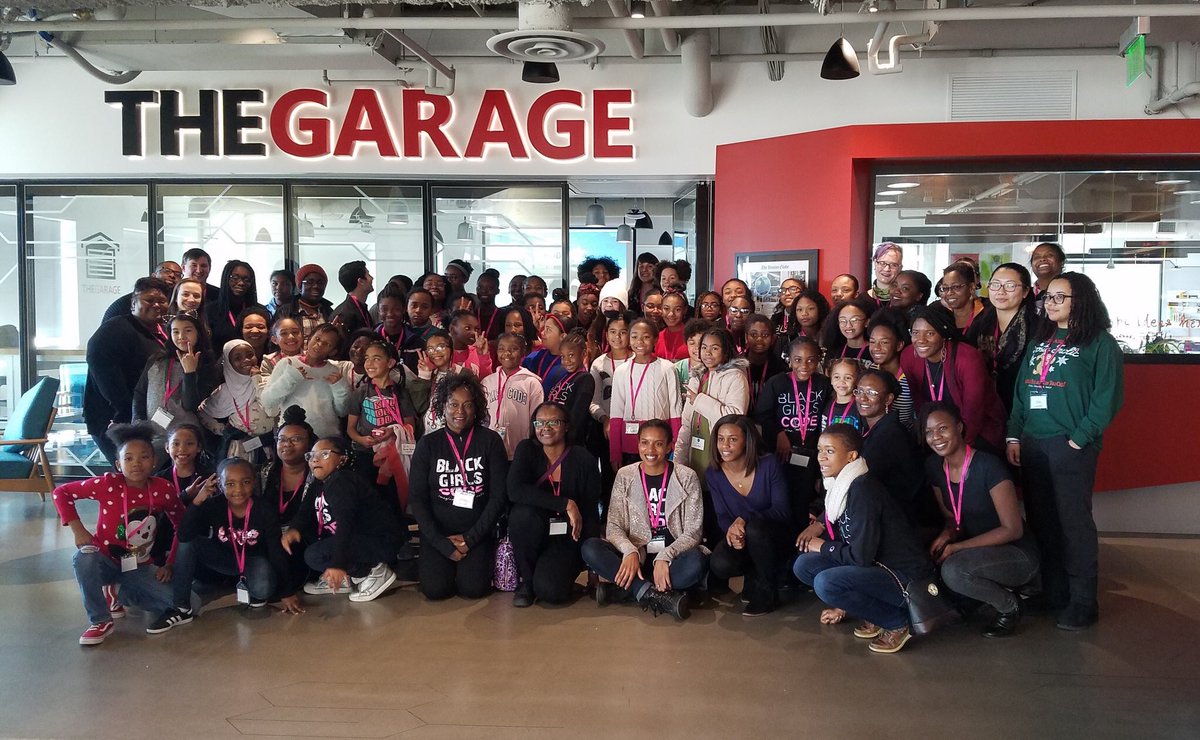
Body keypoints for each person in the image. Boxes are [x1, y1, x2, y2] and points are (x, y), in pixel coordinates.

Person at [1006, 272, 1123, 631]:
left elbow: (1107, 398)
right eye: (1048, 298)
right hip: (1033, 442)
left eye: (1059, 297)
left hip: (1071, 445)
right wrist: (1014, 436)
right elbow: (1023, 391)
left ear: (1080, 301)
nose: (1050, 303)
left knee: (1074, 525)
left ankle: (1084, 601)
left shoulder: (1100, 343)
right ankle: (1054, 592)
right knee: (1043, 521)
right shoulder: (1040, 341)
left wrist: (1080, 437)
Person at [792, 424, 934, 654]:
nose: (821, 457)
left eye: (829, 451)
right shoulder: (839, 486)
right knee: (805, 565)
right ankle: (875, 612)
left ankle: (897, 621)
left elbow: (860, 557)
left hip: (903, 577)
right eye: (819, 450)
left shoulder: (863, 490)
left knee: (826, 582)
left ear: (851, 456)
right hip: (875, 565)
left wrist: (824, 547)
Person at [53, 423, 186, 645]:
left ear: (154, 461)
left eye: (144, 457)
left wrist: (170, 563)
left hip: (139, 566)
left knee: (187, 604)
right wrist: (78, 529)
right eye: (129, 458)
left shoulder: (163, 489)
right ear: (118, 464)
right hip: (105, 559)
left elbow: (181, 525)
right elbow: (61, 492)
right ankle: (100, 620)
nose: (136, 464)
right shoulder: (108, 484)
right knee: (84, 558)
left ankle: (118, 592)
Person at [923, 402, 1039, 638]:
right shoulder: (935, 467)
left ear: (960, 427)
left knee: (954, 570)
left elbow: (1013, 529)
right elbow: (950, 516)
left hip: (1015, 553)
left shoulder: (989, 466)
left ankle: (1010, 606)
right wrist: (946, 535)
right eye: (928, 432)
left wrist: (957, 547)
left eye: (943, 428)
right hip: (976, 552)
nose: (936, 437)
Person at [581, 420, 708, 621]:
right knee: (590, 548)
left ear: (669, 446)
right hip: (636, 555)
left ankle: (628, 591)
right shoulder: (625, 475)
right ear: (638, 444)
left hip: (672, 559)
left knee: (696, 563)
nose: (650, 449)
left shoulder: (686, 477)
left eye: (658, 443)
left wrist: (665, 556)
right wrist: (629, 551)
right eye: (644, 442)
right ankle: (656, 594)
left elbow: (693, 532)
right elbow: (614, 525)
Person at [159, 457, 304, 628]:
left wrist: (287, 592)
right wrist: (198, 500)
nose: (238, 489)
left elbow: (275, 550)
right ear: (219, 485)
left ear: (254, 482)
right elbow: (184, 535)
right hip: (223, 559)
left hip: (254, 561)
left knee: (262, 590)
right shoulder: (214, 505)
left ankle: (250, 590)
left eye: (245, 482)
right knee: (190, 542)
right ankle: (182, 607)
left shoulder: (264, 509)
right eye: (230, 484)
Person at [409, 372, 509, 600]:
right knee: (435, 591)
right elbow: (417, 499)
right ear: (443, 406)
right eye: (453, 404)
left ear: (477, 408)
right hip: (438, 533)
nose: (460, 412)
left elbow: (498, 497)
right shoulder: (428, 444)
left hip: (477, 531)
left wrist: (470, 539)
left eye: (467, 405)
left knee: (473, 589)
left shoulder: (490, 441)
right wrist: (442, 544)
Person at [282, 437, 403, 602]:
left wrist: (338, 564)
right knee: (307, 536)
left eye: (324, 454)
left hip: (378, 541)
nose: (315, 459)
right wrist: (294, 529)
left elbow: (345, 523)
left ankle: (371, 571)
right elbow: (305, 511)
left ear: (342, 459)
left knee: (314, 556)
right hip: (354, 540)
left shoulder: (342, 481)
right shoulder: (319, 483)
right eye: (311, 455)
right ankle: (345, 579)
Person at [507, 402, 602, 607]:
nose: (546, 427)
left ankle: (553, 579)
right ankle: (527, 581)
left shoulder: (583, 459)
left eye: (554, 422)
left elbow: (592, 512)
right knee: (521, 515)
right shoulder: (527, 450)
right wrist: (565, 503)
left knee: (551, 592)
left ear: (566, 426)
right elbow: (515, 490)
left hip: (567, 538)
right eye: (540, 422)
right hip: (534, 533)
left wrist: (594, 568)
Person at [705, 415, 794, 616]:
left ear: (747, 440)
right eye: (720, 439)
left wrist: (744, 518)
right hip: (746, 538)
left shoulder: (769, 464)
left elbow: (782, 511)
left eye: (733, 439)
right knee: (720, 563)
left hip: (775, 536)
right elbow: (721, 515)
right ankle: (754, 575)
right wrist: (732, 531)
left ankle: (768, 591)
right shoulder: (713, 473)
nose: (725, 445)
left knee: (756, 528)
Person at [85, 277, 172, 463]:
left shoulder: (160, 331)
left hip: (147, 417)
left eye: (162, 301)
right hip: (117, 420)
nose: (156, 305)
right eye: (149, 300)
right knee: (130, 473)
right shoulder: (117, 328)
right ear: (133, 303)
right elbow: (97, 359)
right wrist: (122, 410)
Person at [900, 305, 1007, 452]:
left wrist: (958, 449)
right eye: (915, 333)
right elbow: (920, 404)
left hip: (978, 432)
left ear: (943, 334)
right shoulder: (908, 356)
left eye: (930, 333)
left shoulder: (968, 358)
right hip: (938, 433)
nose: (921, 340)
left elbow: (973, 411)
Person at [753, 335, 831, 525]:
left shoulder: (824, 384)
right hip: (783, 454)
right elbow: (762, 414)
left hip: (812, 454)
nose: (804, 365)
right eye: (798, 360)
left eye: (811, 360)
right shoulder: (776, 383)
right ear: (789, 359)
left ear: (818, 360)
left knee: (805, 500)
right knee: (783, 497)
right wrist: (779, 434)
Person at [133, 313, 220, 455]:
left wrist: (190, 373)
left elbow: (191, 405)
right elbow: (140, 393)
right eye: (176, 331)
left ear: (198, 333)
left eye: (188, 330)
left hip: (188, 439)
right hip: (154, 434)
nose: (181, 336)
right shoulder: (157, 359)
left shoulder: (206, 365)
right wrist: (137, 422)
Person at [854, 370, 927, 526]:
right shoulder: (874, 427)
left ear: (888, 399)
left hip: (897, 521)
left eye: (871, 392)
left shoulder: (891, 435)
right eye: (859, 391)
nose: (862, 398)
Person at [674, 328, 749, 479]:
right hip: (695, 447)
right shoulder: (697, 376)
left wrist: (699, 400)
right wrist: (678, 460)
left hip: (720, 449)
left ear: (726, 351)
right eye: (704, 347)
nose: (708, 353)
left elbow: (734, 418)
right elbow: (687, 424)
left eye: (715, 348)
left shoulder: (735, 377)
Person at [607, 317, 682, 468]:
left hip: (660, 442)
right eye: (634, 337)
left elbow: (675, 409)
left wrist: (677, 446)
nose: (639, 341)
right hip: (630, 442)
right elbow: (616, 413)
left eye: (646, 337)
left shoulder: (667, 368)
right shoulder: (622, 371)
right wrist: (614, 452)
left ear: (655, 340)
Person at [261, 324, 352, 439]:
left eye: (327, 344)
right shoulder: (287, 364)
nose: (319, 344)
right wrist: (290, 378)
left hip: (325, 437)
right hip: (292, 437)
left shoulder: (334, 371)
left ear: (333, 351)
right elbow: (267, 401)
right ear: (309, 338)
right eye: (317, 339)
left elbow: (342, 411)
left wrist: (339, 387)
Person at [975, 263, 1038, 414]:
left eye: (1010, 286)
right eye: (995, 284)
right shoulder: (981, 322)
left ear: (1025, 291)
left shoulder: (1037, 327)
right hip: (986, 405)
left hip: (1022, 405)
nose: (1001, 291)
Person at [199, 339, 275, 461]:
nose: (246, 360)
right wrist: (222, 430)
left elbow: (272, 408)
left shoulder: (267, 381)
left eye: (250, 355)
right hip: (238, 449)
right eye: (238, 358)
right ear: (229, 364)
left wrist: (257, 379)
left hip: (268, 445)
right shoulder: (224, 390)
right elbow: (202, 412)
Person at [482, 332, 545, 459]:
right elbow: (482, 417)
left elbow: (537, 419)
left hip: (520, 451)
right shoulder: (487, 382)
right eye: (502, 349)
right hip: (491, 451)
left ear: (523, 352)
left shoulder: (531, 383)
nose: (507, 353)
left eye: (514, 349)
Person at [262, 405, 317, 527]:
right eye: (282, 439)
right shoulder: (264, 473)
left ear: (309, 444)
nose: (287, 444)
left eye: (296, 439)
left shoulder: (318, 475)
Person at [864, 316, 914, 429]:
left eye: (884, 342)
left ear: (899, 345)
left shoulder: (910, 376)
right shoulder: (867, 372)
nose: (876, 348)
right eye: (872, 342)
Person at [544, 332, 594, 446]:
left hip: (570, 440)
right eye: (563, 356)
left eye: (571, 355)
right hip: (555, 435)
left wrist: (566, 438)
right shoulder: (563, 377)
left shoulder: (585, 378)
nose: (566, 361)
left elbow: (577, 415)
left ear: (583, 353)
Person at [153, 422, 215, 505]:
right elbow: (159, 512)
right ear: (167, 447)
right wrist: (184, 496)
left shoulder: (209, 476)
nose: (182, 449)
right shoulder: (159, 479)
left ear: (199, 447)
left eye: (189, 443)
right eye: (176, 444)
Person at [102, 261, 183, 323]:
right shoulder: (124, 303)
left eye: (178, 274)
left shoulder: (177, 303)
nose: (172, 276)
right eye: (167, 271)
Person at [206, 260, 262, 350]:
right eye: (235, 278)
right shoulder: (210, 311)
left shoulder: (259, 311)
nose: (241, 283)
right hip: (219, 362)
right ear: (226, 278)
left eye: (246, 279)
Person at [275, 264, 333, 342]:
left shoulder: (328, 311)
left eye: (320, 282)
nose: (316, 286)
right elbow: (275, 339)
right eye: (309, 282)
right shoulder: (285, 311)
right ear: (300, 287)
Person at [743, 313, 786, 410]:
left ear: (772, 339)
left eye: (765, 335)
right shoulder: (737, 366)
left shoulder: (781, 370)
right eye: (754, 334)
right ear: (746, 337)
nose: (759, 339)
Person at [939, 261, 987, 347]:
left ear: (971, 287)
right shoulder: (939, 314)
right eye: (945, 288)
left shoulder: (988, 311)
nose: (949, 293)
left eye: (956, 287)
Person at [821, 297, 876, 363]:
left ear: (867, 322)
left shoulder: (876, 350)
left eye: (854, 320)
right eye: (843, 321)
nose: (848, 325)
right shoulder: (834, 352)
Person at [396, 287, 438, 373]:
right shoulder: (398, 332)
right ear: (406, 308)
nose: (418, 310)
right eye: (414, 305)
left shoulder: (438, 335)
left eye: (424, 307)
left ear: (431, 310)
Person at [330, 260, 375, 339]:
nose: (372, 278)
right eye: (368, 275)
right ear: (361, 281)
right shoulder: (344, 314)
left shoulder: (358, 308)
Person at [447, 308, 492, 378]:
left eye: (476, 329)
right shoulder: (444, 352)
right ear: (452, 329)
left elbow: (487, 380)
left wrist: (483, 356)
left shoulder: (478, 352)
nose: (474, 332)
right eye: (467, 328)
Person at [822, 358, 864, 432]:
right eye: (836, 377)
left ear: (857, 380)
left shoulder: (861, 407)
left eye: (848, 378)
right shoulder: (826, 405)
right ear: (831, 379)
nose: (842, 381)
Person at [674, 318, 712, 391]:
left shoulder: (715, 370)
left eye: (701, 342)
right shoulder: (676, 369)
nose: (697, 347)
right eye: (692, 343)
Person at [1029, 242, 1066, 315]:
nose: (1042, 259)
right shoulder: (1024, 295)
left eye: (1049, 255)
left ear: (1061, 262)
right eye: (1037, 257)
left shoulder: (1072, 292)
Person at [654, 291, 690, 361]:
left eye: (677, 309)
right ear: (661, 309)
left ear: (685, 310)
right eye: (666, 309)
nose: (671, 314)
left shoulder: (691, 335)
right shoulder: (658, 336)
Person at [771, 277, 803, 347]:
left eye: (793, 289)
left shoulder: (806, 317)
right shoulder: (775, 319)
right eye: (783, 290)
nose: (787, 293)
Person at [476, 269, 505, 346]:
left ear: (497, 291)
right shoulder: (471, 314)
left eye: (490, 288)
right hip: (473, 356)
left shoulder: (503, 315)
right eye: (480, 287)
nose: (484, 291)